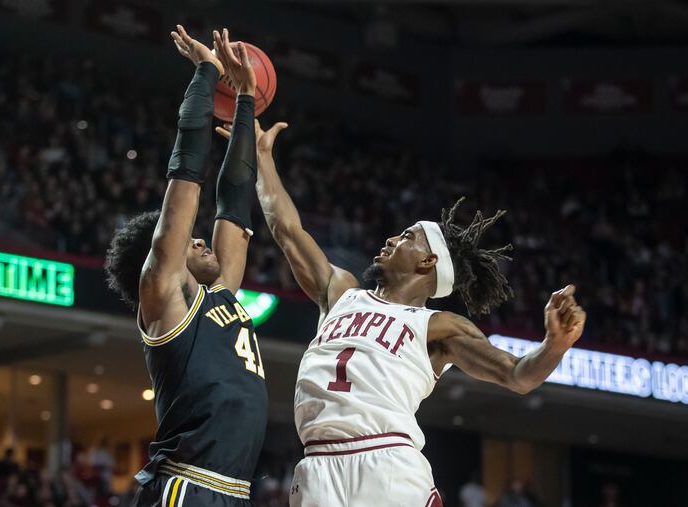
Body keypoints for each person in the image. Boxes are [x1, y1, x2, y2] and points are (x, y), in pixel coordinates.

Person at [216, 120, 586, 506]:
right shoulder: (341, 292)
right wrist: (262, 159)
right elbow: (287, 230)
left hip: (386, 461)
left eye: (407, 236)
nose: (392, 238)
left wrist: (555, 346)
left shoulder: (438, 327)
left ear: (428, 261)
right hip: (317, 464)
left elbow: (516, 375)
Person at [105, 25, 266, 506]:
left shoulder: (223, 295)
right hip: (186, 484)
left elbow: (235, 200)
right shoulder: (165, 296)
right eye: (190, 240)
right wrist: (206, 72)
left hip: (232, 489)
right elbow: (186, 177)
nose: (201, 239)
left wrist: (244, 100)